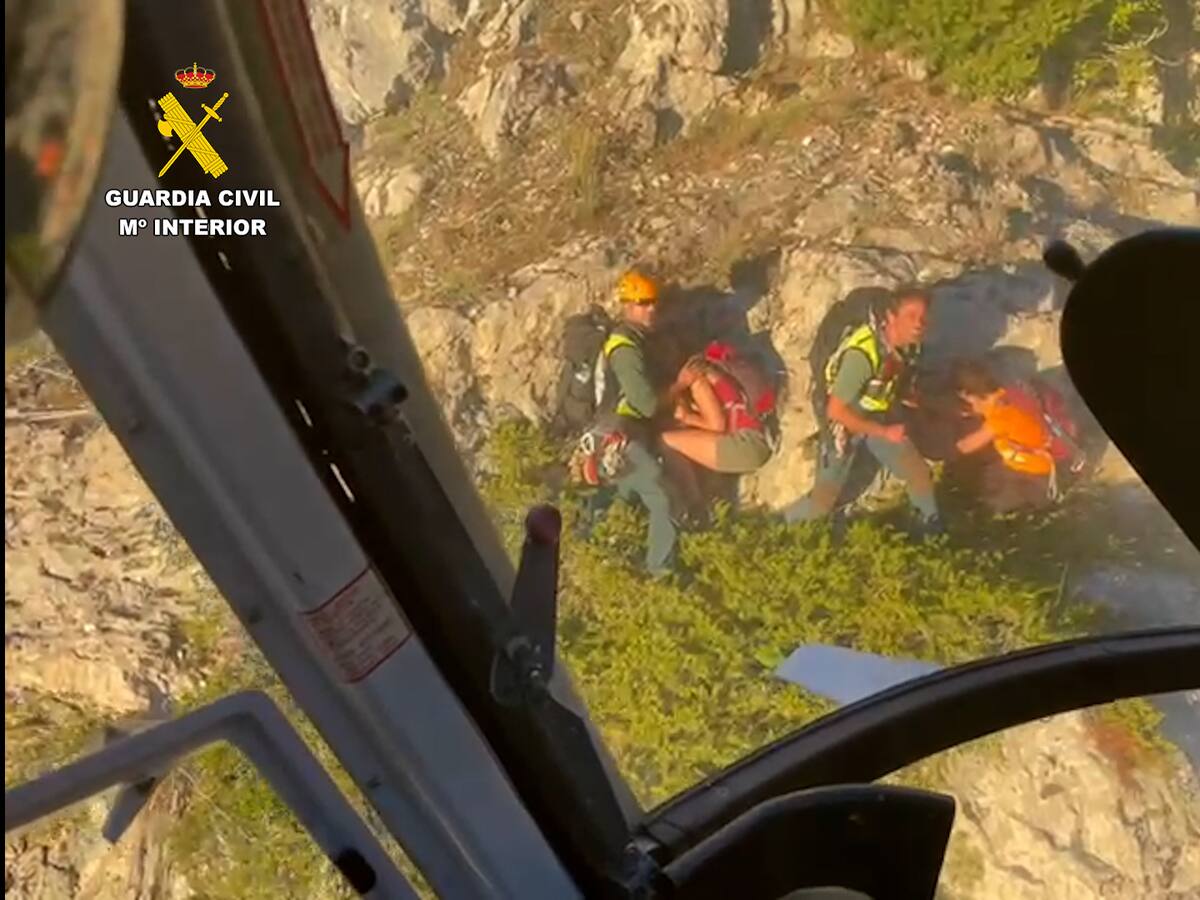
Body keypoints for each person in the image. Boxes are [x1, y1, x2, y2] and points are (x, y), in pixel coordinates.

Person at [783, 287, 941, 533]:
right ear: (890, 316)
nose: (919, 324)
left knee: (918, 473)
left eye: (923, 317)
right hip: (845, 422)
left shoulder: (910, 347)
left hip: (877, 413)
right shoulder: (862, 356)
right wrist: (883, 433)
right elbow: (836, 411)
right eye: (911, 316)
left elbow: (896, 385)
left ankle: (930, 534)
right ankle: (776, 528)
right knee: (822, 503)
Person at [593, 269, 680, 578]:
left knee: (623, 499)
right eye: (643, 303)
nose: (651, 308)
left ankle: (610, 566)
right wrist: (681, 386)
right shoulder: (625, 348)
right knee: (661, 494)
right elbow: (647, 404)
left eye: (654, 301)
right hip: (622, 435)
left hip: (626, 433)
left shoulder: (639, 339)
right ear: (627, 305)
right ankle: (660, 574)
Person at [951, 359, 1060, 513]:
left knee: (991, 505)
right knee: (989, 478)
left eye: (966, 401)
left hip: (1035, 474)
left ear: (970, 395)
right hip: (1034, 456)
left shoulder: (1000, 418)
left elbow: (965, 446)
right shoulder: (1007, 393)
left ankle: (1040, 509)